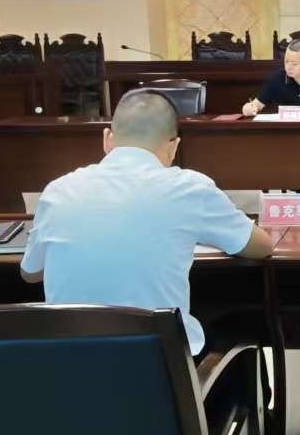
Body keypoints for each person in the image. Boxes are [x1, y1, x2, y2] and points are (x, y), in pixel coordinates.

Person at [21, 89, 274, 361]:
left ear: (107, 138)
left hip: (72, 366)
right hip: (157, 369)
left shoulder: (58, 190)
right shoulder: (190, 188)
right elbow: (261, 246)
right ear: (173, 146)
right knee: (240, 327)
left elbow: (30, 273)